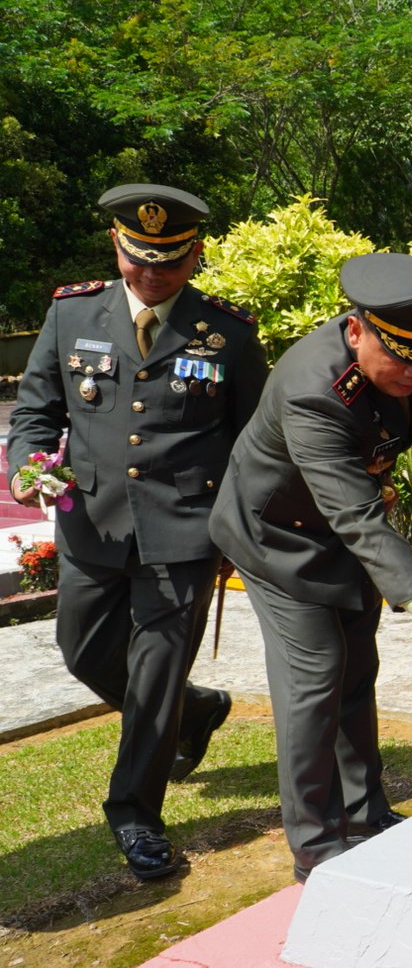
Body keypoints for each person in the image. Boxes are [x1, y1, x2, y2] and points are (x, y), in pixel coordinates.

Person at [209, 253, 412, 882]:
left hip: (337, 529)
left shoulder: (398, 363)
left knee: (356, 667)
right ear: (356, 332)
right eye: (400, 358)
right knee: (314, 678)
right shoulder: (315, 393)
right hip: (276, 540)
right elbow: (360, 522)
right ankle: (316, 848)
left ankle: (365, 813)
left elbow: (366, 478)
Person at [7, 184, 266, 880]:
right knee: (83, 652)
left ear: (196, 255)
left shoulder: (229, 333)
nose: (152, 275)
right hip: (91, 523)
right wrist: (28, 468)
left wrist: (239, 528)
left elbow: (253, 441)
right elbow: (35, 413)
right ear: (117, 246)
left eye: (169, 262)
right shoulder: (71, 314)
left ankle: (135, 812)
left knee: (153, 678)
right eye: (139, 258)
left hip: (184, 530)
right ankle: (197, 709)